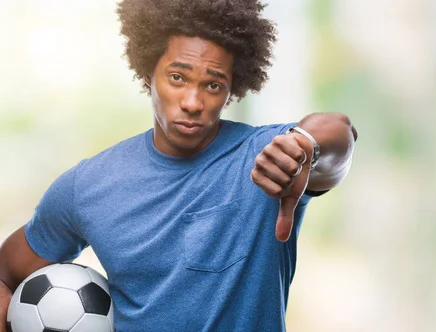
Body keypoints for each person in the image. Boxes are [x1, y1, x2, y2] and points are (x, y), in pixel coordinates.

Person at [0, 0, 357, 331]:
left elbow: (337, 132)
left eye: (213, 84)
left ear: (231, 91)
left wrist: (308, 146)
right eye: (177, 77)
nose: (192, 101)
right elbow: (5, 275)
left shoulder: (268, 156)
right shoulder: (87, 185)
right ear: (147, 74)